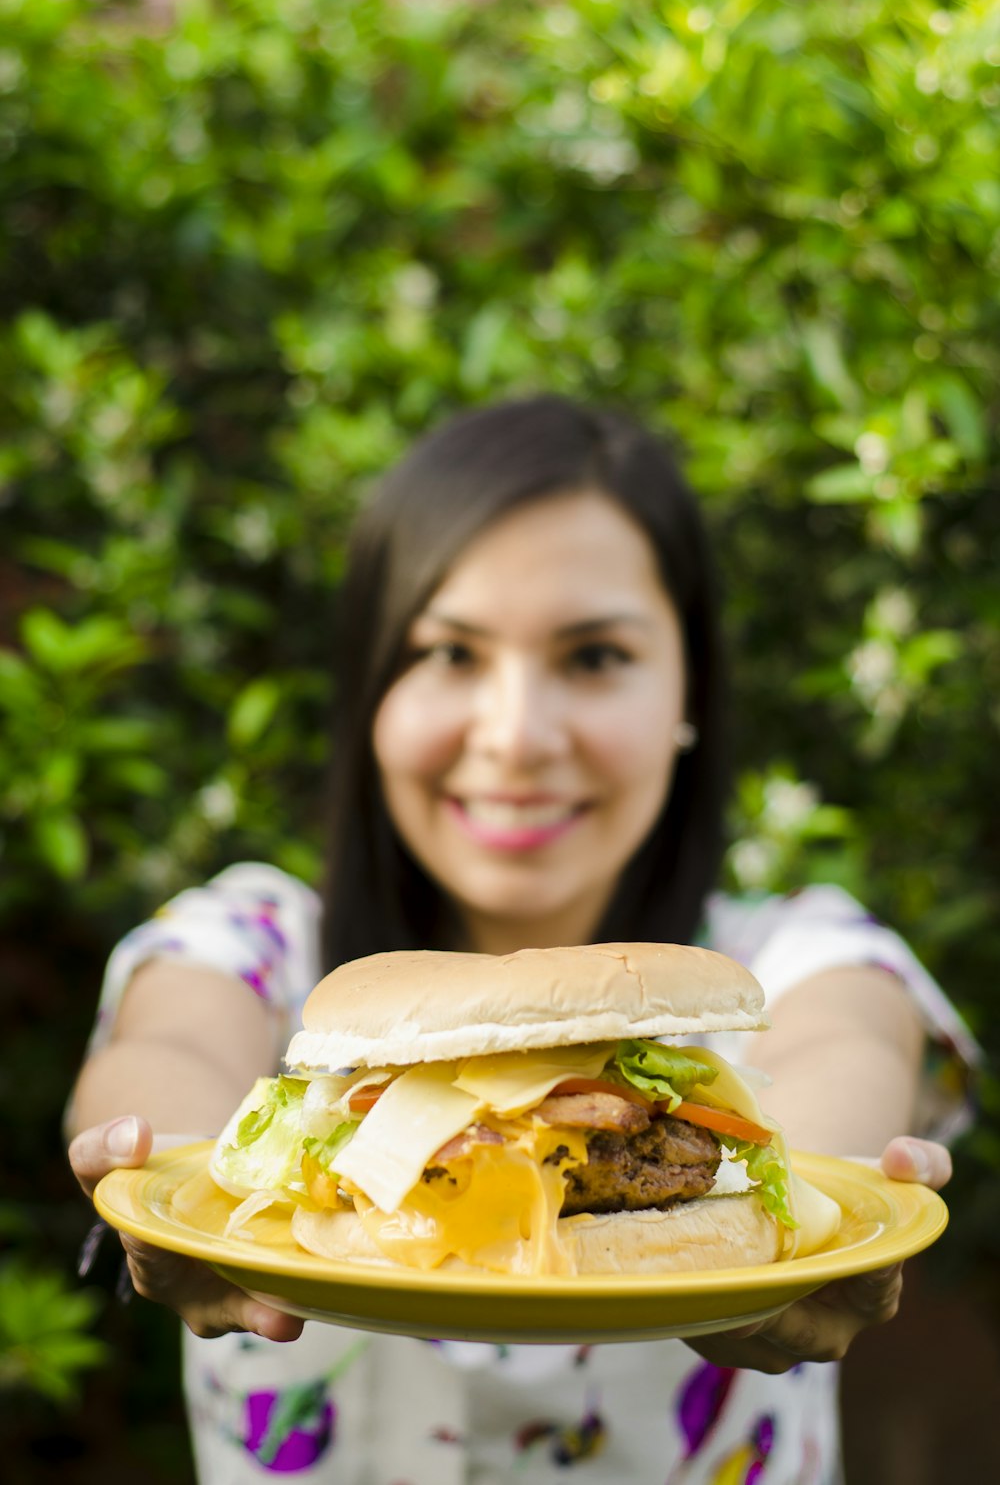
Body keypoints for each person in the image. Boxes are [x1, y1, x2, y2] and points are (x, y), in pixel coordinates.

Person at [67, 395, 975, 1483]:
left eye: (593, 656)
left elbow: (847, 1058)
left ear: (688, 687)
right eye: (450, 653)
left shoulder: (800, 949)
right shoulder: (253, 935)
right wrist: (160, 1185)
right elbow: (166, 1048)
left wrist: (798, 1248)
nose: (517, 735)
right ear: (369, 688)